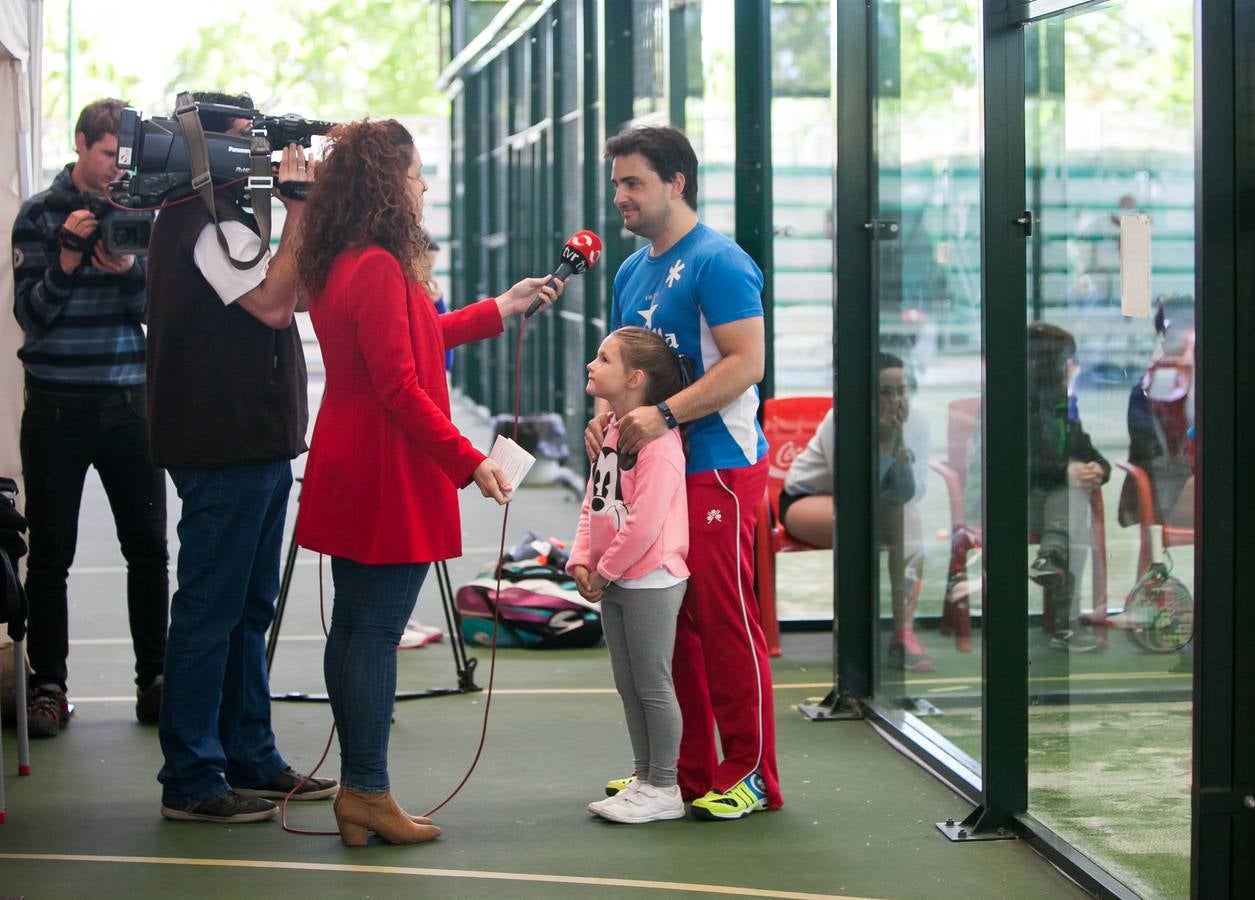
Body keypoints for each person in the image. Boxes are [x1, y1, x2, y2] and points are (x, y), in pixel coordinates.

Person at [292, 119, 564, 846]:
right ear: (389, 181)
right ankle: (368, 791)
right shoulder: (381, 265)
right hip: (388, 464)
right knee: (374, 632)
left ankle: (360, 791)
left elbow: (406, 344)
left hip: (352, 455)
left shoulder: (344, 259)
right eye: (415, 172)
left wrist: (496, 311)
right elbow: (402, 385)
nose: (421, 184)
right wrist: (468, 458)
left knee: (356, 626)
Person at [145, 91, 337, 824]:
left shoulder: (225, 220)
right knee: (210, 611)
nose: (255, 152)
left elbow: (300, 293)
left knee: (247, 609)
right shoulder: (199, 222)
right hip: (222, 446)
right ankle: (192, 778)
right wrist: (300, 208)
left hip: (249, 445)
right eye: (240, 140)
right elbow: (274, 304)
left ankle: (246, 752)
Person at [587, 125, 782, 820]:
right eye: (616, 183)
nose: (621, 196)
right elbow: (623, 368)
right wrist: (606, 418)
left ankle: (750, 773)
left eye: (634, 182)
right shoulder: (629, 270)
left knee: (724, 622)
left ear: (677, 182)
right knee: (670, 630)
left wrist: (665, 415)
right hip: (652, 469)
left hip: (720, 468)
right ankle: (679, 772)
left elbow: (745, 363)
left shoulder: (720, 262)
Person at [11, 98, 169, 737]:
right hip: (54, 407)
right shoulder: (38, 216)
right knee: (50, 555)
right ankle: (49, 687)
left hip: (129, 404)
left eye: (121, 159)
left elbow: (155, 311)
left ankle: (155, 682)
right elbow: (31, 317)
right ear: (81, 144)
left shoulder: (141, 213)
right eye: (106, 155)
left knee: (150, 551)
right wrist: (68, 261)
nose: (113, 171)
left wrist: (128, 269)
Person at [570, 327, 690, 824]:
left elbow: (644, 523)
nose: (592, 366)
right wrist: (580, 559)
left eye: (604, 359)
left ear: (635, 378)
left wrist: (605, 569)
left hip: (650, 580)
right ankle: (642, 778)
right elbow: (593, 501)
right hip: (614, 579)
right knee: (628, 682)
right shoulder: (611, 430)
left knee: (653, 684)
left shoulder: (660, 446)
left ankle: (665, 786)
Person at [778, 353, 934, 670]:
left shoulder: (917, 422)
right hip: (811, 499)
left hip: (880, 504)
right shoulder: (842, 418)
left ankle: (902, 631)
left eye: (901, 390)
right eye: (886, 392)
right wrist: (886, 443)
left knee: (910, 519)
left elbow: (915, 492)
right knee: (857, 523)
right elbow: (851, 489)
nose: (896, 400)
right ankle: (857, 632)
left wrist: (899, 440)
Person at [1026, 322, 1110, 652]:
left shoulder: (1061, 406)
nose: (1073, 366)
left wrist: (1096, 470)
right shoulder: (1015, 406)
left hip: (1051, 505)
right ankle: (1065, 626)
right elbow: (1017, 467)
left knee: (1073, 497)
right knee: (1071, 500)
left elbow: (1085, 448)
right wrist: (1066, 472)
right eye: (1067, 359)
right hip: (1012, 504)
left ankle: (1051, 555)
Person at [397, 234, 450, 651]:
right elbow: (402, 381)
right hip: (411, 435)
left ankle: (398, 618)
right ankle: (394, 623)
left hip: (425, 426)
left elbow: (443, 355)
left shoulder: (425, 297)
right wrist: (468, 461)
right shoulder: (391, 285)